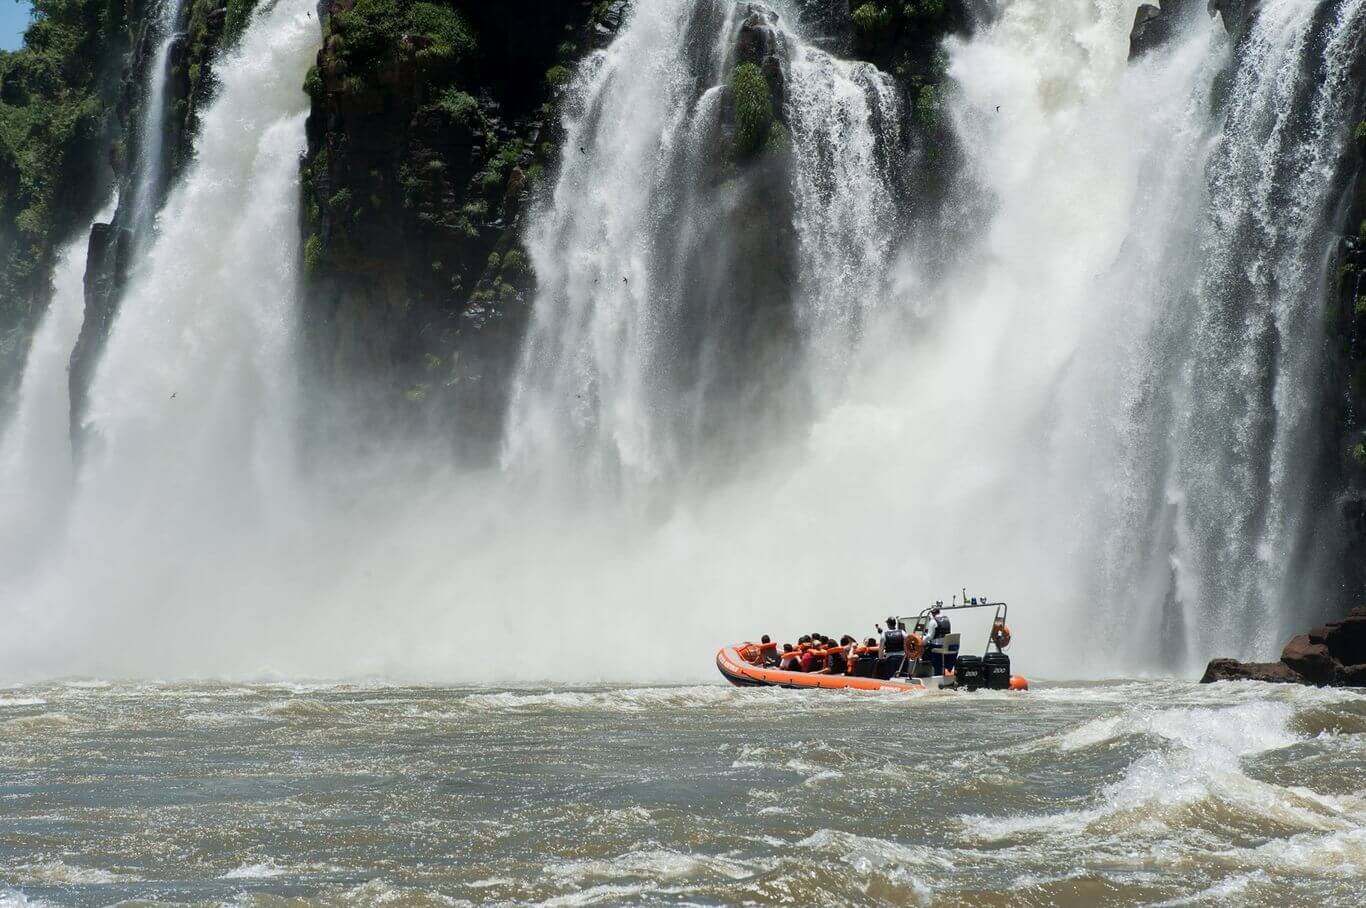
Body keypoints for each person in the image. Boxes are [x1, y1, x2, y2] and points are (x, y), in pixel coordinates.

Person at [926, 605, 952, 675]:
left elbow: (929, 636)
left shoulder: (933, 621)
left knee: (924, 655)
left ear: (932, 613)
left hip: (937, 648)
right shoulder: (946, 619)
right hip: (946, 647)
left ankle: (929, 674)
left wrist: (922, 641)